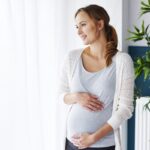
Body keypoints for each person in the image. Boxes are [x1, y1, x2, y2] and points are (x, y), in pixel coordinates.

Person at [58, 4, 135, 150]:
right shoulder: (72, 58)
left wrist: (93, 138)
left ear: (99, 24)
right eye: (76, 27)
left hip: (103, 145)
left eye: (83, 25)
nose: (79, 31)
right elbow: (61, 95)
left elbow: (125, 108)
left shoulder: (122, 61)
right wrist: (77, 97)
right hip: (72, 143)